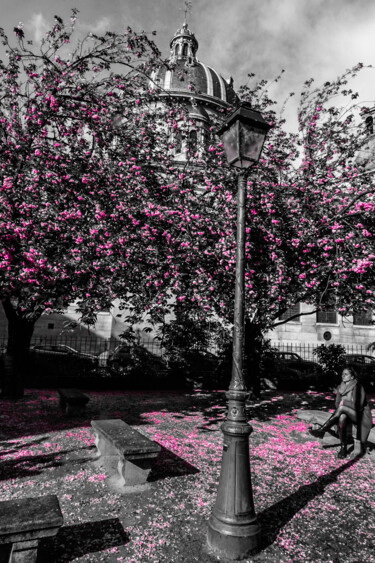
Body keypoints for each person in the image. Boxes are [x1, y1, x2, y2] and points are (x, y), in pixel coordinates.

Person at [310, 366, 373, 458]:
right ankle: (343, 449)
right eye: (342, 374)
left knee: (342, 409)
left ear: (352, 377)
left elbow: (359, 406)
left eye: (346, 374)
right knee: (342, 416)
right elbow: (337, 404)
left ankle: (322, 430)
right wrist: (343, 405)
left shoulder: (358, 387)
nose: (343, 376)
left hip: (360, 416)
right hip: (346, 414)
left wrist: (345, 403)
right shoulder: (340, 387)